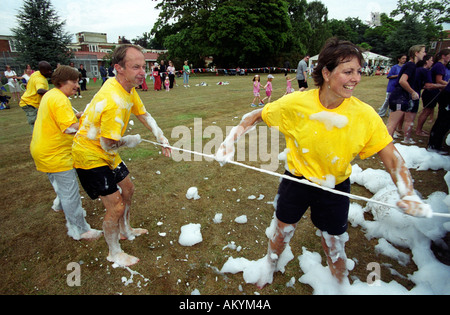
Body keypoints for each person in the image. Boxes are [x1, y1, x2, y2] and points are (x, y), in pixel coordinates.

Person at [215, 38, 431, 288]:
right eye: (348, 71)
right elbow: (254, 116)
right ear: (326, 73)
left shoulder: (365, 116)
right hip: (296, 181)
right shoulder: (296, 103)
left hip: (335, 186)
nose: (356, 78)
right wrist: (229, 141)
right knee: (282, 231)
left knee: (334, 242)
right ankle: (270, 263)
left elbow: (392, 156)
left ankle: (339, 286)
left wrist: (408, 192)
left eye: (358, 71)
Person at [72, 44, 172, 267]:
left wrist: (161, 137)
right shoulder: (113, 100)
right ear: (119, 68)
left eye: (143, 66)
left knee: (128, 188)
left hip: (106, 151)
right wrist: (131, 140)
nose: (142, 72)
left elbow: (143, 114)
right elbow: (108, 143)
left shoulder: (127, 88)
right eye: (135, 67)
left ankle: (126, 229)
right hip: (89, 154)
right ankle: (114, 252)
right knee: (115, 205)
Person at [30, 65, 102, 241]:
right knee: (70, 191)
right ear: (62, 81)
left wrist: (79, 115)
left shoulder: (51, 95)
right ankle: (81, 230)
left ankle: (59, 205)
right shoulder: (59, 99)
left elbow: (63, 119)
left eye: (78, 81)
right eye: (74, 81)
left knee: (61, 187)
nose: (77, 85)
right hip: (55, 154)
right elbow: (70, 128)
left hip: (42, 150)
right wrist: (91, 123)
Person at [386, 45, 427, 144]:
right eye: (423, 51)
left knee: (392, 124)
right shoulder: (411, 65)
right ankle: (385, 145)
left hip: (400, 96)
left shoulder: (411, 65)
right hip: (399, 96)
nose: (425, 54)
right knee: (392, 124)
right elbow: (402, 81)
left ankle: (386, 144)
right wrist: (412, 92)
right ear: (416, 53)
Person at [417, 49, 450, 136]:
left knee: (428, 111)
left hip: (433, 92)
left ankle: (420, 129)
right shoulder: (439, 66)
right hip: (431, 91)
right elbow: (439, 80)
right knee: (426, 111)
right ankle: (418, 130)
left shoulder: (441, 66)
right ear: (443, 56)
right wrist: (448, 84)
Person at [19, 61, 52, 131]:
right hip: (30, 103)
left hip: (33, 102)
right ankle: (36, 138)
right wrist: (52, 92)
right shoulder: (40, 80)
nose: (50, 72)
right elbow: (39, 90)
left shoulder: (36, 73)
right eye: (48, 71)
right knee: (35, 122)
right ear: (42, 71)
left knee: (41, 120)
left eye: (50, 70)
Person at [427, 81, 450, 155]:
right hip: (448, 98)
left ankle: (434, 145)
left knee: (443, 122)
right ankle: (434, 146)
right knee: (443, 123)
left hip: (446, 96)